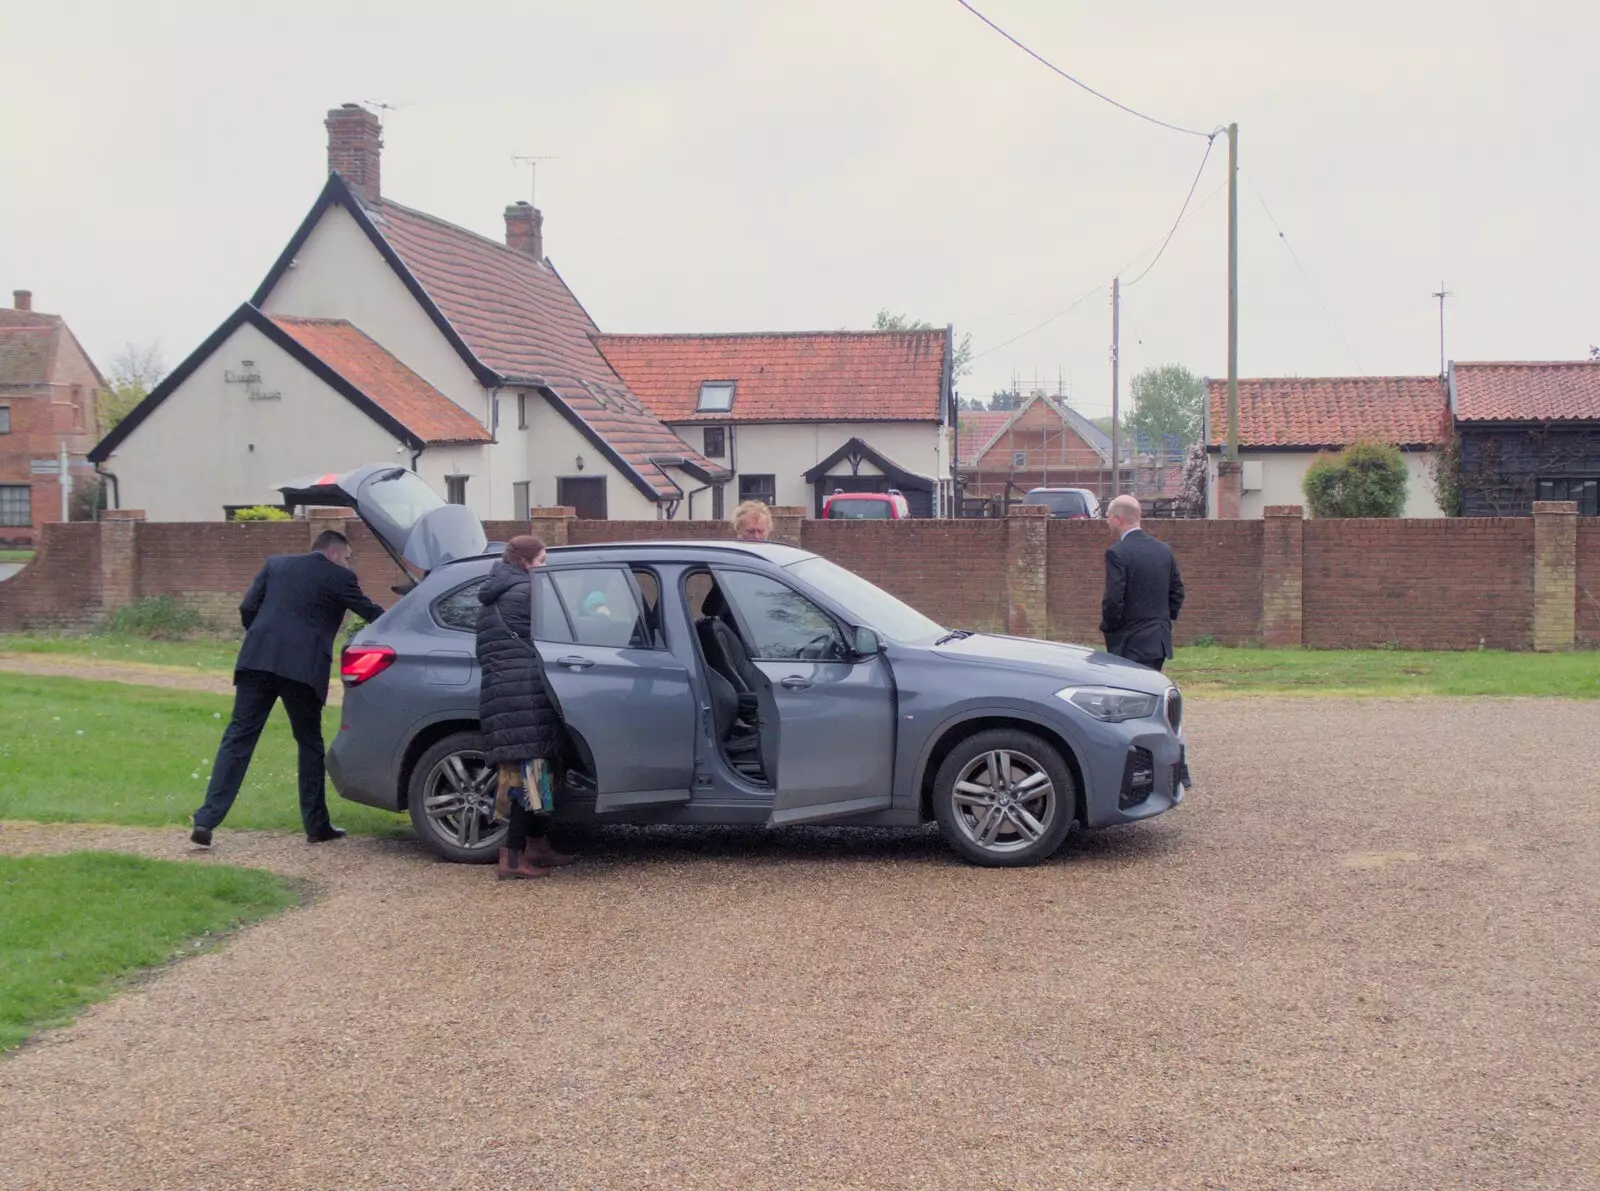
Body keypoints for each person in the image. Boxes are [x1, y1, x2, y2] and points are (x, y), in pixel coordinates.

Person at [191, 530, 386, 847]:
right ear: (334, 553)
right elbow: (372, 614)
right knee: (309, 743)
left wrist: (265, 637)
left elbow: (247, 608)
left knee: (238, 737)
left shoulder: (276, 564)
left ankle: (206, 819)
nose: (349, 564)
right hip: (304, 668)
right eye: (348, 558)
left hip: (258, 659)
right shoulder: (340, 577)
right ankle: (316, 825)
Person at [476, 534, 578, 880]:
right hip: (524, 695)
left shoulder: (497, 593)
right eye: (543, 561)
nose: (545, 569)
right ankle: (512, 859)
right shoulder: (526, 591)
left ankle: (536, 844)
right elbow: (566, 627)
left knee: (535, 774)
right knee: (527, 778)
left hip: (506, 694)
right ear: (525, 562)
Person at [1099, 495, 1185, 672]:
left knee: (1129, 695)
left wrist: (1110, 629)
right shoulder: (1163, 549)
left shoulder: (1117, 552)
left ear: (1118, 518)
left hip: (1130, 642)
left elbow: (1114, 599)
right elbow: (1177, 592)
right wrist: (1163, 621)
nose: (1107, 521)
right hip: (1159, 641)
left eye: (1108, 516)